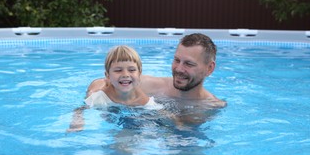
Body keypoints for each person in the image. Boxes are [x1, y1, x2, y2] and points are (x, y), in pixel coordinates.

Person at [89, 33, 226, 109]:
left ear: (209, 69)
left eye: (188, 64)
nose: (179, 69)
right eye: (176, 60)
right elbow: (103, 82)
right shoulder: (151, 85)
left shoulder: (213, 106)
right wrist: (92, 94)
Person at [67, 45, 161, 132]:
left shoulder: (144, 101)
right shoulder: (99, 98)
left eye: (131, 70)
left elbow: (163, 113)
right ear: (107, 75)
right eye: (118, 70)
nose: (125, 75)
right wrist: (77, 120)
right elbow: (80, 109)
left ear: (139, 73)